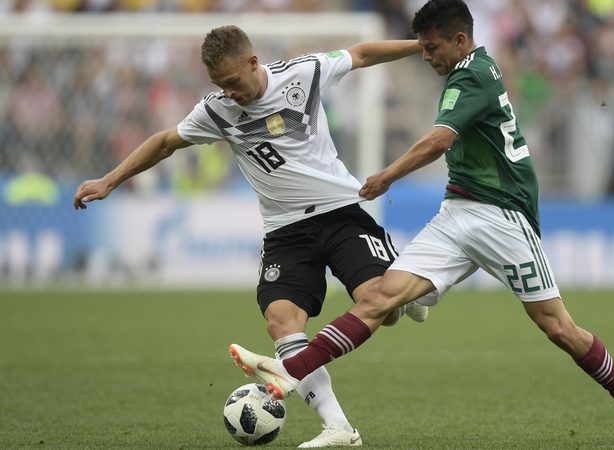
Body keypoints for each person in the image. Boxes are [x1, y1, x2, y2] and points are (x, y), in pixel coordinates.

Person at [227, 1, 614, 446]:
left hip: (504, 218)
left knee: (559, 329)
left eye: (432, 47)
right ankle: (288, 376)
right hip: (457, 210)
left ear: (460, 41)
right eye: (422, 47)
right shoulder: (463, 69)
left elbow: (439, 140)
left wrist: (387, 176)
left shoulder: (474, 73)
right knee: (379, 298)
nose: (426, 56)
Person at [73, 25, 430, 448]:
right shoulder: (217, 109)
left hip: (340, 214)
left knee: (383, 309)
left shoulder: (303, 73)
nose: (229, 93)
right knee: (281, 320)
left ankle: (404, 296)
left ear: (252, 62)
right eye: (219, 86)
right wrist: (111, 180)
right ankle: (338, 428)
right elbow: (166, 141)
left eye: (233, 82)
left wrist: (422, 45)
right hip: (284, 231)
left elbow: (363, 53)